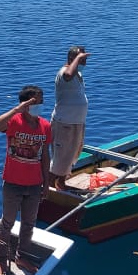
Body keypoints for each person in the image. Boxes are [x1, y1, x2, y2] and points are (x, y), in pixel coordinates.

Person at [0, 85, 52, 275]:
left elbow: (45, 156)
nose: (39, 105)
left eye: (40, 101)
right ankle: (1, 260)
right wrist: (17, 110)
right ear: (25, 103)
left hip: (34, 185)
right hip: (13, 183)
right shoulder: (14, 122)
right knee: (7, 222)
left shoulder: (45, 126)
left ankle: (22, 257)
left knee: (29, 223)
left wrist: (46, 183)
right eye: (35, 102)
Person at [49, 46, 90, 190]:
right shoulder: (64, 73)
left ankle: (61, 182)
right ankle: (47, 188)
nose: (84, 62)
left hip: (77, 122)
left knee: (71, 154)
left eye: (84, 59)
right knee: (60, 157)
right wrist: (78, 59)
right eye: (82, 59)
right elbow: (67, 75)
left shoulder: (77, 74)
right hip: (64, 122)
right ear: (73, 59)